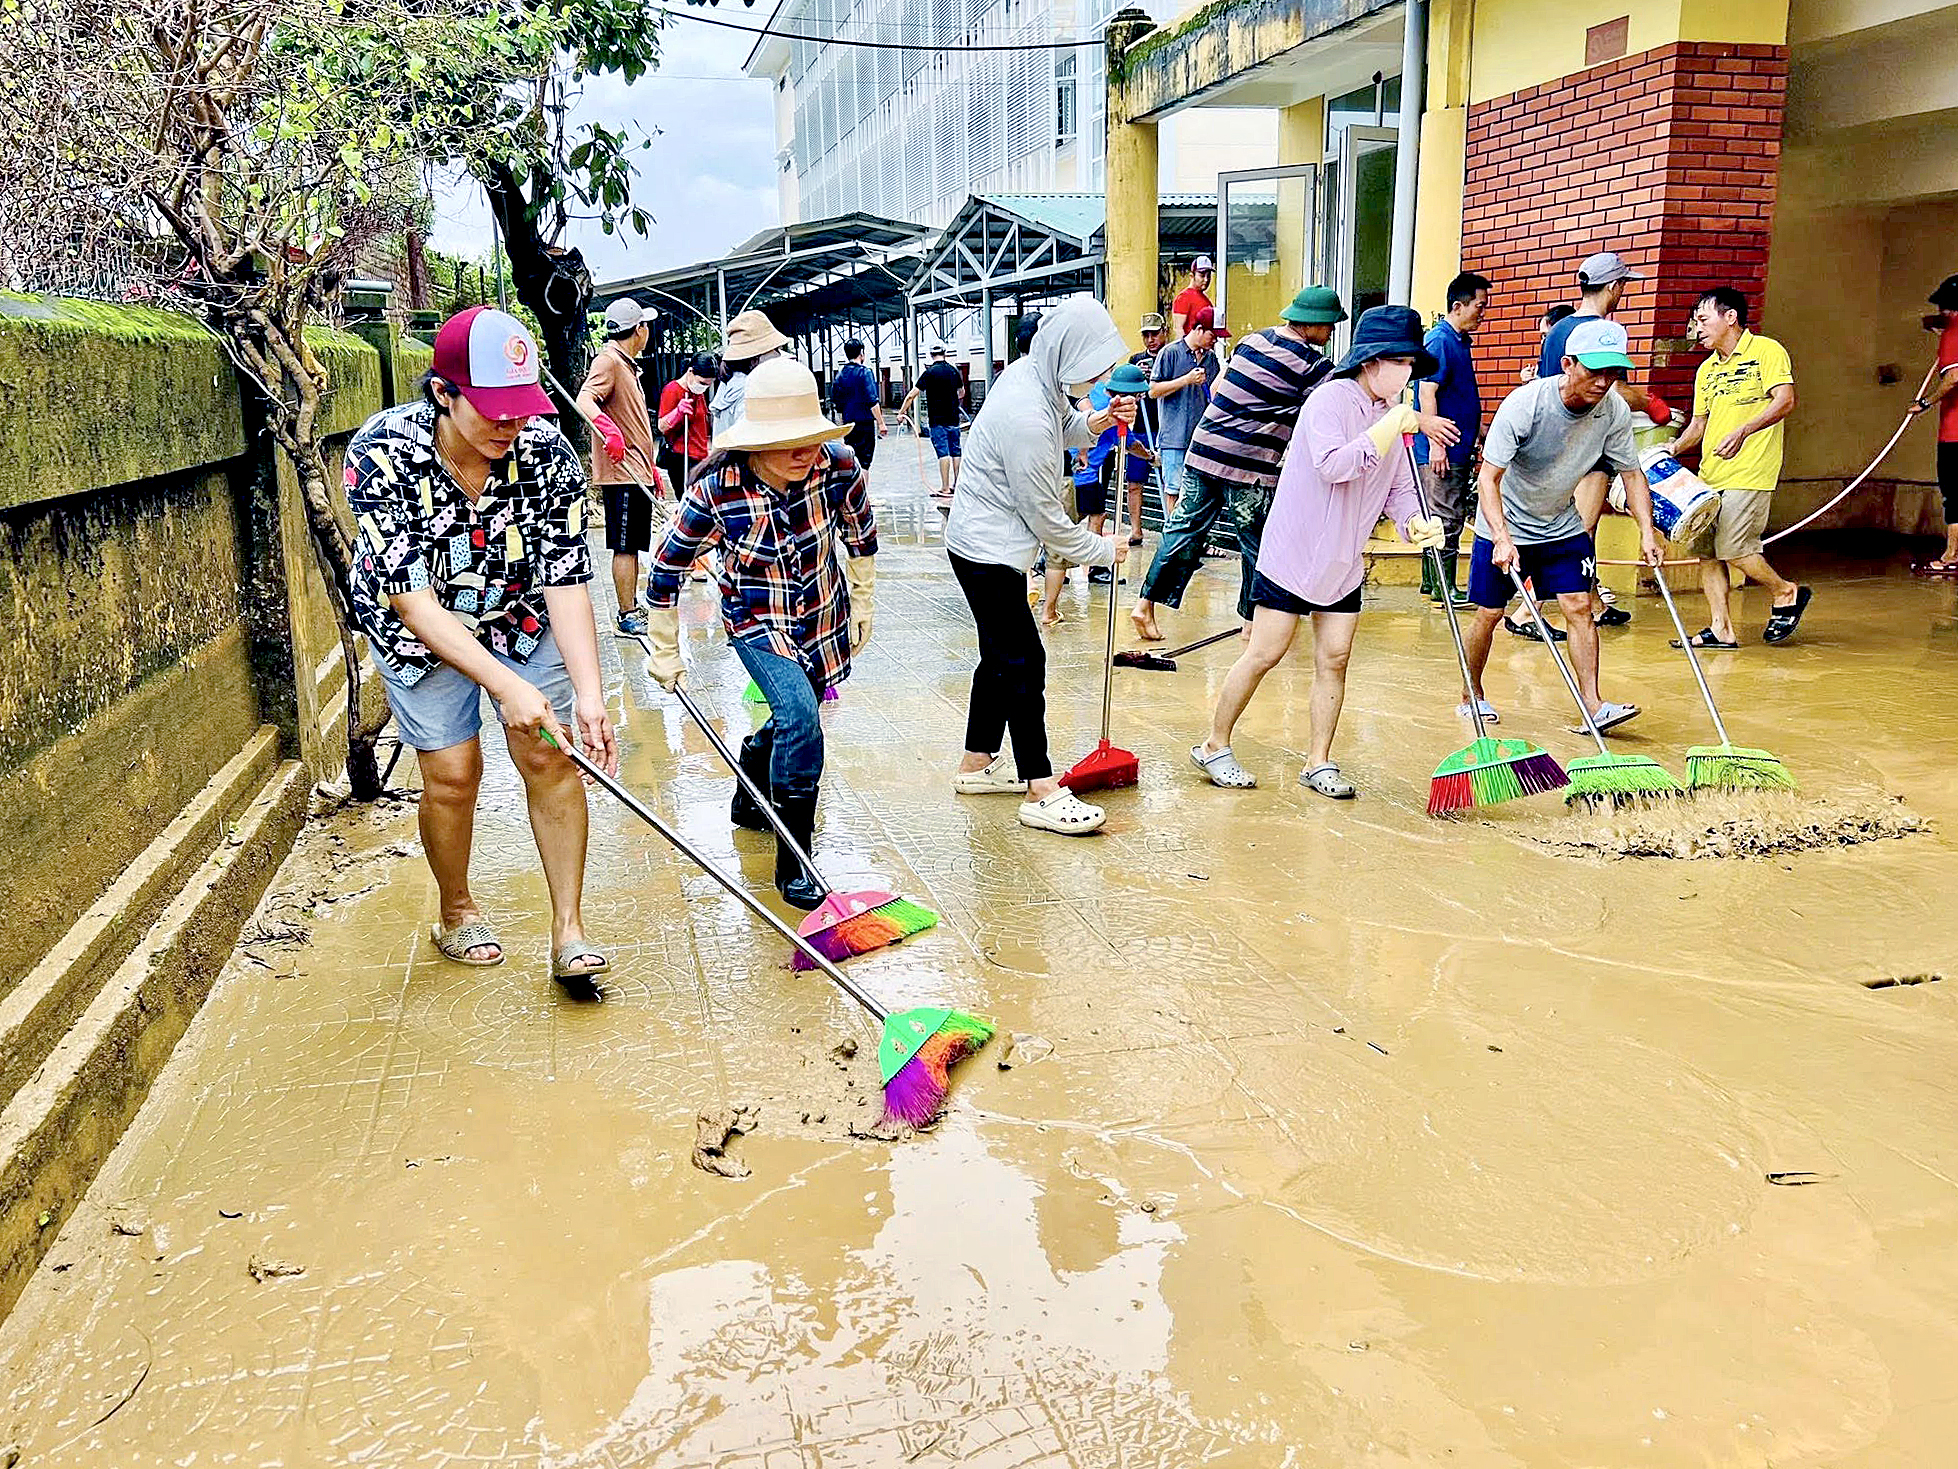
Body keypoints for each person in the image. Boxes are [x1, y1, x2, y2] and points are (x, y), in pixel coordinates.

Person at [344, 307, 617, 992]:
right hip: (420, 627)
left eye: (522, 408)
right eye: (494, 410)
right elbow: (413, 604)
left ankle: (569, 929)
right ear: (443, 393)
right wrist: (507, 686)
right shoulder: (381, 453)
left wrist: (588, 694)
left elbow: (565, 579)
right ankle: (456, 909)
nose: (511, 425)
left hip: (519, 612)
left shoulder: (547, 451)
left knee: (551, 753)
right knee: (453, 772)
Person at [640, 357, 877, 909]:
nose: (804, 451)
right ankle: (796, 863)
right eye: (787, 442)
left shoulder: (839, 466)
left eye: (810, 437)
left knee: (793, 717)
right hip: (758, 620)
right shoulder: (716, 491)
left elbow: (861, 535)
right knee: (802, 718)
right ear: (756, 443)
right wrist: (665, 648)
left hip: (824, 614)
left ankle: (753, 770)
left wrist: (864, 599)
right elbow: (666, 570)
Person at [1191, 307, 1447, 797]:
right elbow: (1334, 466)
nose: (1406, 372)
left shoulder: (1391, 415)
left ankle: (1318, 761)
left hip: (1342, 559)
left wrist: (1414, 522)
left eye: (1411, 364)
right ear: (1371, 361)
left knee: (1335, 658)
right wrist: (1390, 426)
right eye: (1399, 361)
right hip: (1295, 551)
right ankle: (1214, 745)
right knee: (1265, 652)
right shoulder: (1328, 400)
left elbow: (1398, 487)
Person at [944, 294, 1136, 837]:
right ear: (1064, 354)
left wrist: (1098, 420)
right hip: (988, 552)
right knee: (1024, 661)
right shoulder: (1024, 413)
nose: (1098, 379)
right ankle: (1040, 786)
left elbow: (1066, 425)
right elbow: (1047, 518)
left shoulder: (1036, 375)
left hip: (987, 544)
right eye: (1092, 370)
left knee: (999, 657)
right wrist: (1102, 549)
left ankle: (977, 763)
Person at [1133, 291, 1381, 643]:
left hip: (1204, 449)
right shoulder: (1313, 366)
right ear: (1312, 323)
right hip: (1248, 466)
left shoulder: (1254, 340)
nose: (1330, 333)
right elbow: (1335, 405)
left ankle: (1145, 605)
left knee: (1184, 529)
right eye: (1329, 325)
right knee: (1259, 545)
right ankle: (1252, 623)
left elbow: (1218, 386)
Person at [1462, 318, 1663, 730]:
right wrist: (1501, 538)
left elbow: (1631, 474)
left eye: (1613, 372)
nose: (1603, 382)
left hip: (1561, 524)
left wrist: (1646, 531)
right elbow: (1489, 478)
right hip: (1505, 524)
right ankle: (1472, 693)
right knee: (1490, 613)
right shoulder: (1526, 405)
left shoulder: (1613, 411)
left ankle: (1593, 705)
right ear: (1568, 364)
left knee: (1579, 606)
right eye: (1594, 370)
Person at [1514, 251, 1671, 635]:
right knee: (1577, 532)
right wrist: (1649, 402)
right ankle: (1527, 612)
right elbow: (1613, 390)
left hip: (1554, 444)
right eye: (1623, 285)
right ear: (1614, 286)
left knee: (1582, 528)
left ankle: (1595, 602)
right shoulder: (1602, 333)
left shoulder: (1558, 330)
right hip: (1588, 445)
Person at [1668, 287, 1808, 647]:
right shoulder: (1706, 370)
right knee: (1706, 552)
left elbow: (1785, 400)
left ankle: (1785, 591)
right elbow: (1698, 425)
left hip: (1751, 471)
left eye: (1703, 319)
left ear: (1730, 317)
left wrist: (1745, 430)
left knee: (1734, 547)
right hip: (1710, 475)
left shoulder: (1766, 351)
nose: (1697, 328)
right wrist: (1673, 448)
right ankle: (1721, 629)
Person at [576, 297, 662, 638]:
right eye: (646, 326)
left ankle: (632, 605)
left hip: (637, 470)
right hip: (622, 474)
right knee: (624, 546)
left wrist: (650, 466)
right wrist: (607, 430)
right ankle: (626, 615)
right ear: (639, 329)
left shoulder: (627, 365)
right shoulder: (608, 361)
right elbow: (585, 399)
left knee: (634, 544)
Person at [1414, 272, 1491, 606]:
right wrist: (1436, 444)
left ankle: (1431, 584)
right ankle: (1444, 589)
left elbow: (1457, 393)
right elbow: (1426, 391)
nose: (1483, 313)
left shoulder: (1458, 341)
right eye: (1479, 306)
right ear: (1458, 306)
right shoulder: (1440, 341)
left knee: (1441, 514)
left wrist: (1479, 429)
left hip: (1456, 445)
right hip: (1443, 450)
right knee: (1447, 516)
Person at [1145, 306, 1225, 527]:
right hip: (1174, 438)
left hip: (1201, 439)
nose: (1215, 341)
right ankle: (1174, 537)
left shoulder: (1211, 359)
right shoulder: (1170, 353)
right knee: (1174, 491)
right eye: (1213, 335)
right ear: (1199, 330)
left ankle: (1193, 539)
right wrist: (1186, 380)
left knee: (1199, 493)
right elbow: (1153, 391)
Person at [1908, 274, 1958, 574]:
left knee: (1954, 493)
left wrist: (1925, 402)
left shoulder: (1953, 332)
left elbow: (1953, 377)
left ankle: (1951, 556)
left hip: (1955, 432)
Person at [1123, 311, 1170, 544]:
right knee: (1134, 482)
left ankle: (1172, 530)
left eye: (1155, 334)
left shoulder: (1171, 356)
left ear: (1164, 332)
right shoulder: (1136, 360)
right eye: (1146, 335)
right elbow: (1122, 390)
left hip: (1166, 429)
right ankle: (1135, 530)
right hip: (1141, 427)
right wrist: (1137, 381)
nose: (1150, 339)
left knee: (1170, 484)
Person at [900, 345, 967, 498]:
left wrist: (902, 412)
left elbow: (912, 395)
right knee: (956, 451)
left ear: (931, 355)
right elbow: (962, 392)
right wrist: (951, 399)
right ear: (945, 353)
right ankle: (957, 485)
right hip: (953, 418)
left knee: (943, 453)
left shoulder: (929, 373)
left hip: (937, 420)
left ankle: (945, 488)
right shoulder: (953, 371)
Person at [713, 309, 790, 440]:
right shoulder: (750, 394)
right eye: (775, 349)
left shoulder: (731, 385)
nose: (779, 354)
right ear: (755, 359)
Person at [659, 352, 716, 489]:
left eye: (708, 385)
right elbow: (662, 426)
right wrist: (677, 413)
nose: (704, 387)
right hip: (682, 458)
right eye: (702, 383)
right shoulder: (672, 390)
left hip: (701, 458)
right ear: (690, 372)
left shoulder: (698, 393)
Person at [831, 338, 885, 470]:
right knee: (865, 461)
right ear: (861, 353)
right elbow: (872, 400)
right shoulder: (865, 372)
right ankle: (863, 484)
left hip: (849, 424)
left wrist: (842, 422)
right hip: (865, 423)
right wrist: (881, 423)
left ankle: (853, 482)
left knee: (852, 458)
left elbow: (837, 401)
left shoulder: (840, 374)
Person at [1171, 255, 1216, 337]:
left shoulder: (1205, 299)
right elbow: (1178, 328)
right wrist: (1186, 345)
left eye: (1208, 276)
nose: (1206, 280)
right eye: (1202, 275)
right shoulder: (1183, 297)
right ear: (1192, 276)